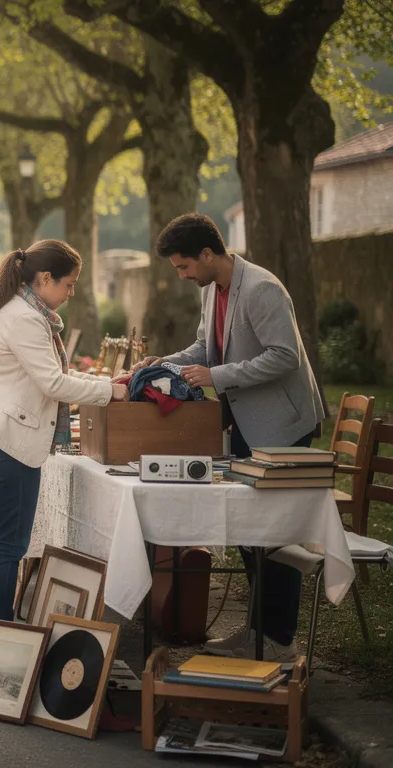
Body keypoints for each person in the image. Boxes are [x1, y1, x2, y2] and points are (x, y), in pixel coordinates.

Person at [133, 213, 324, 661]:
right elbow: (205, 349)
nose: (182, 275)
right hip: (244, 425)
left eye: (184, 266)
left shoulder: (261, 289)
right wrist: (166, 363)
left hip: (282, 427)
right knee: (250, 532)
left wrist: (216, 376)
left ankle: (279, 640)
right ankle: (257, 632)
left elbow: (285, 357)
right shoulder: (212, 290)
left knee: (276, 535)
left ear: (207, 253)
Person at [0, 240, 129, 623]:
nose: (71, 293)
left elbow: (55, 376)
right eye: (68, 284)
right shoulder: (25, 318)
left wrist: (106, 382)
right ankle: (1, 633)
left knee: (0, 543)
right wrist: (110, 392)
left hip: (0, 435)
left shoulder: (24, 311)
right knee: (9, 547)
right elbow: (54, 384)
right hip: (7, 441)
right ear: (45, 278)